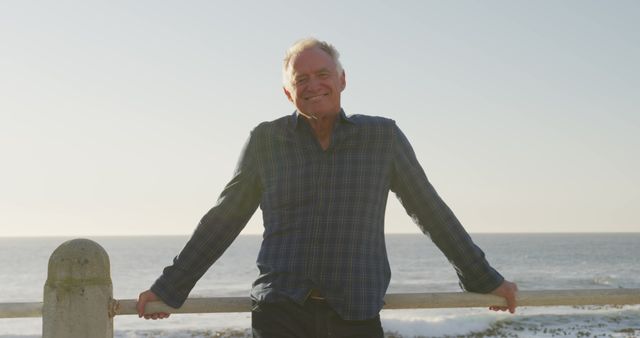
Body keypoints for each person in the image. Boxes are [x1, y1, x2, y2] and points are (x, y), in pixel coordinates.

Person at [137, 37, 518, 337]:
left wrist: (485, 280)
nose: (313, 85)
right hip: (280, 313)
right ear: (288, 92)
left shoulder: (382, 137)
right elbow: (224, 219)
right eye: (301, 79)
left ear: (342, 80)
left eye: (322, 74)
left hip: (355, 311)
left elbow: (430, 211)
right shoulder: (266, 141)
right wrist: (170, 288)